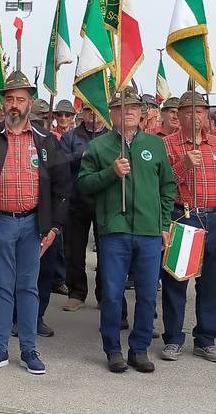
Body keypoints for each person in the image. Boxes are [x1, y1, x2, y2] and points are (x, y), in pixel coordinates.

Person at [0, 71, 69, 375]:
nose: (14, 104)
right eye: (9, 98)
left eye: (20, 99)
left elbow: (63, 187)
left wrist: (54, 227)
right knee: (2, 288)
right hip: (1, 223)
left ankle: (29, 350)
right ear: (2, 102)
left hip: (33, 224)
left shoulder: (45, 140)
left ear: (30, 103)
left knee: (29, 288)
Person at [78, 87, 176, 373]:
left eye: (133, 106)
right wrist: (111, 173)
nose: (129, 111)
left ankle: (139, 348)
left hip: (148, 231)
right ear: (112, 113)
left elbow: (167, 186)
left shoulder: (156, 146)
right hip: (114, 230)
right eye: (121, 107)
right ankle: (113, 349)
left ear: (141, 112)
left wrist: (164, 223)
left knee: (146, 293)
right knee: (111, 292)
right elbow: (83, 185)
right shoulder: (98, 147)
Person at [161, 91, 216, 363]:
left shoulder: (214, 144)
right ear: (178, 115)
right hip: (184, 217)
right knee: (176, 281)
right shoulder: (167, 145)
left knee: (211, 284)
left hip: (214, 218)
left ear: (206, 115)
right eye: (189, 111)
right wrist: (183, 165)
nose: (195, 116)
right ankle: (172, 338)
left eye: (200, 111)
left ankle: (206, 338)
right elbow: (162, 184)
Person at [61, 104, 107, 312]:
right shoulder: (70, 137)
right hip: (76, 200)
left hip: (105, 202)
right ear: (82, 113)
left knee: (107, 251)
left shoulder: (112, 136)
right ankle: (76, 293)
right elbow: (59, 163)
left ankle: (105, 294)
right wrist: (82, 155)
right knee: (74, 250)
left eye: (96, 109)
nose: (93, 114)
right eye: (89, 110)